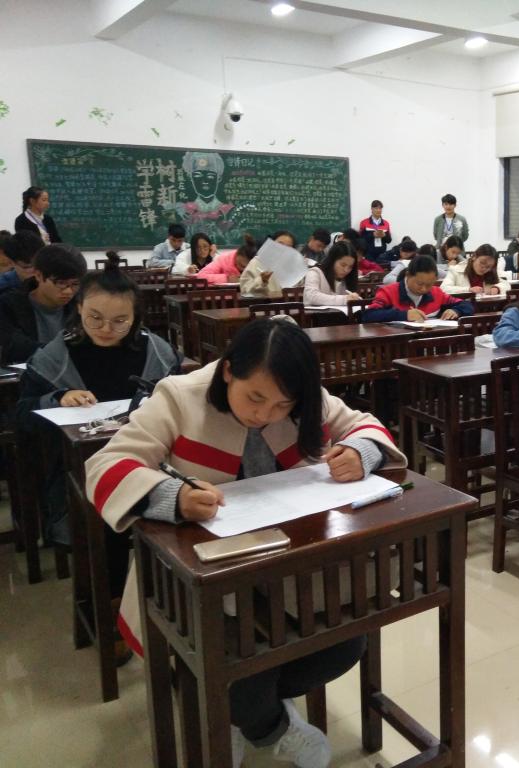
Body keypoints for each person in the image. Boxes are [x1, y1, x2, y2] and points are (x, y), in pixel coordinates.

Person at [84, 319, 406, 767]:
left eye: (282, 405)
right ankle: (265, 724)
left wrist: (360, 452)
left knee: (346, 643)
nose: (265, 414)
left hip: (291, 564)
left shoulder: (303, 396)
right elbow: (106, 464)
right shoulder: (179, 396)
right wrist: (172, 496)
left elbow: (363, 424)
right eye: (255, 398)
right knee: (237, 667)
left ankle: (240, 715)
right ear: (228, 370)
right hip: (205, 575)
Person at [17, 260, 179, 556]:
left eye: (120, 320)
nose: (106, 329)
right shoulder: (54, 357)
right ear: (79, 308)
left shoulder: (157, 352)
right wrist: (57, 398)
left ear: (136, 317)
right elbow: (21, 415)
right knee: (105, 543)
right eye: (95, 318)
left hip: (149, 463)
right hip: (80, 468)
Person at [0, 243, 86, 364]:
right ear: (38, 275)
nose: (69, 291)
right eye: (61, 283)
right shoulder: (8, 305)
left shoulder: (81, 305)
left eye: (75, 284)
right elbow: (14, 348)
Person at [363, 255, 473, 323]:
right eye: (419, 283)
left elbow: (467, 305)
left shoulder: (436, 293)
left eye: (429, 284)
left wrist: (456, 311)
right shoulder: (388, 292)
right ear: (408, 275)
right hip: (396, 346)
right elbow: (369, 315)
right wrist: (404, 315)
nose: (424, 289)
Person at [240, 231, 303, 298]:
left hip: (289, 303)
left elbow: (301, 289)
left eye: (288, 247)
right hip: (263, 303)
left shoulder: (294, 266)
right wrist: (262, 280)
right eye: (279, 244)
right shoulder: (257, 262)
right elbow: (245, 291)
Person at [304, 241, 361, 306]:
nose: (346, 270)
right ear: (332, 260)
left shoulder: (347, 278)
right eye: (343, 265)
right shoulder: (315, 273)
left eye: (350, 267)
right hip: (313, 312)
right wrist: (344, 299)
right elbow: (312, 297)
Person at [441, 244, 510, 296]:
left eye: (488, 267)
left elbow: (506, 285)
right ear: (474, 257)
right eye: (482, 263)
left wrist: (497, 288)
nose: (484, 268)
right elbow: (444, 289)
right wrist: (469, 290)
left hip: (486, 307)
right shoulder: (456, 270)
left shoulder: (490, 272)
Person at [0, 230, 44, 295]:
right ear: (12, 262)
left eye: (41, 264)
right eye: (28, 267)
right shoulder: (4, 289)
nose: (37, 272)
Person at [359, 200, 392, 266]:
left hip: (382, 255)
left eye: (380, 208)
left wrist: (384, 235)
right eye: (376, 208)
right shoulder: (364, 222)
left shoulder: (386, 223)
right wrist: (372, 235)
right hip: (369, 254)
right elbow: (360, 240)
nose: (378, 210)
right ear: (372, 209)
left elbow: (389, 240)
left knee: (381, 270)